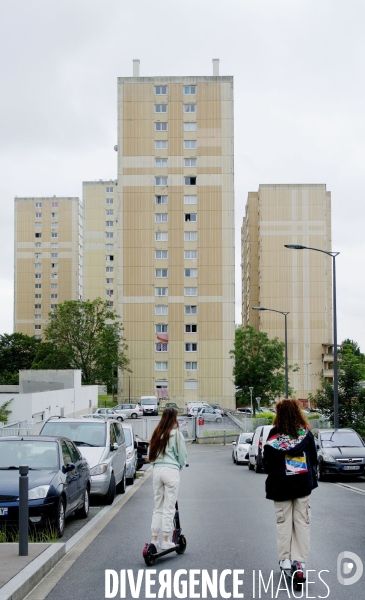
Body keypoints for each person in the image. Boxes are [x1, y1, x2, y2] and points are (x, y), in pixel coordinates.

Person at [263, 399, 318, 578]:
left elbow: (267, 463)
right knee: (302, 522)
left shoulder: (274, 434)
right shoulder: (305, 433)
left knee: (283, 523)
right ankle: (300, 561)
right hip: (302, 485)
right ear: (297, 412)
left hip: (280, 487)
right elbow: (314, 459)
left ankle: (285, 559)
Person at [148, 407, 187, 550]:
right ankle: (165, 539)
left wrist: (156, 464)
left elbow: (150, 453)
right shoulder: (177, 435)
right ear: (174, 418)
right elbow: (182, 456)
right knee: (169, 507)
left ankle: (154, 539)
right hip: (171, 471)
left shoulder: (156, 433)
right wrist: (180, 466)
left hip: (157, 470)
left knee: (158, 506)